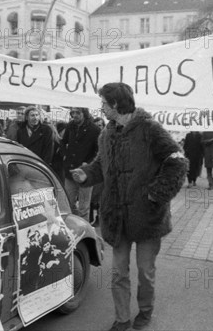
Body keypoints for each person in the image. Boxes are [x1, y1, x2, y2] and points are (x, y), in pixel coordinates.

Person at [70, 83, 187, 331]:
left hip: (146, 216)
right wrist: (85, 175)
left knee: (145, 272)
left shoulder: (150, 129)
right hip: (116, 216)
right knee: (118, 273)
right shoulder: (106, 134)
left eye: (103, 103)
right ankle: (122, 318)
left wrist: (156, 194)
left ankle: (145, 311)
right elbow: (100, 164)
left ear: (115, 104)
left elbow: (178, 161)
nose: (100, 108)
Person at [61, 107, 101, 221]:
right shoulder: (70, 126)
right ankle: (73, 224)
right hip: (70, 171)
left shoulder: (94, 129)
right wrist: (64, 155)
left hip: (85, 173)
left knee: (84, 207)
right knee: (68, 202)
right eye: (72, 112)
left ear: (84, 113)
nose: (74, 115)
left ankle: (84, 230)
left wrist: (88, 163)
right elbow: (63, 142)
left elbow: (98, 151)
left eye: (77, 112)